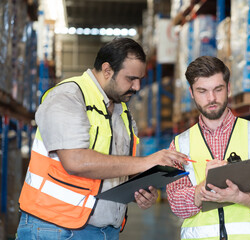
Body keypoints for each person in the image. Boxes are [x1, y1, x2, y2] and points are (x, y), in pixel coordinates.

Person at [16, 37, 188, 239]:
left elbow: (116, 167)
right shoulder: (68, 97)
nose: (137, 86)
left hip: (105, 231)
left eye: (140, 79)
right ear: (107, 70)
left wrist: (139, 189)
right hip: (56, 228)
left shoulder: (121, 111)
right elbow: (75, 161)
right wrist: (147, 161)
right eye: (131, 78)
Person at [166, 56, 250, 240]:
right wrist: (201, 189)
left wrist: (241, 197)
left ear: (229, 88)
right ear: (191, 93)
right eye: (202, 91)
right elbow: (176, 205)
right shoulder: (180, 144)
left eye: (218, 89)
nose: (211, 98)